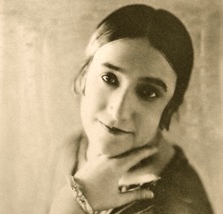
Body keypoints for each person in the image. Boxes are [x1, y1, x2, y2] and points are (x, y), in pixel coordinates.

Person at [49, 4, 213, 214]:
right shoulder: (72, 150)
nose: (118, 112)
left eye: (148, 92)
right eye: (109, 78)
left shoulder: (177, 202)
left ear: (170, 108)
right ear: (83, 78)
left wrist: (71, 204)